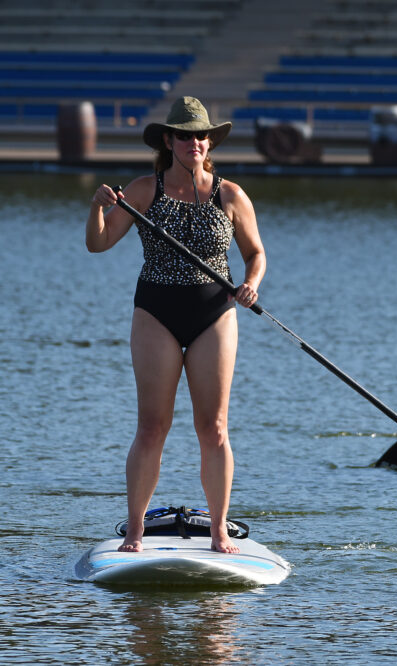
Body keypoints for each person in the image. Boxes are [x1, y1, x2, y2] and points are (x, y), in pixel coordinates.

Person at [86, 96, 266, 554]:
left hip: (215, 314)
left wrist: (251, 284)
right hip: (156, 313)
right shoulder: (146, 190)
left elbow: (255, 254)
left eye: (201, 135)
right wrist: (97, 207)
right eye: (185, 135)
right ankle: (134, 530)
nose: (194, 142)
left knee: (215, 428)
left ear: (210, 142)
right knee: (152, 426)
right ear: (168, 141)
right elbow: (99, 243)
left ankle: (220, 529)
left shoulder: (230, 195)